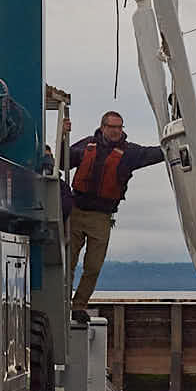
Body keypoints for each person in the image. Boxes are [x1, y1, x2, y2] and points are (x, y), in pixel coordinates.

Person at [68, 111, 164, 322]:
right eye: (112, 127)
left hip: (101, 217)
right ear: (103, 127)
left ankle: (79, 305)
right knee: (68, 262)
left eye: (120, 127)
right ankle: (62, 300)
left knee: (93, 266)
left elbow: (154, 154)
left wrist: (172, 144)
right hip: (76, 212)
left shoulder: (129, 153)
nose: (116, 131)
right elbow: (63, 158)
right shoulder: (86, 146)